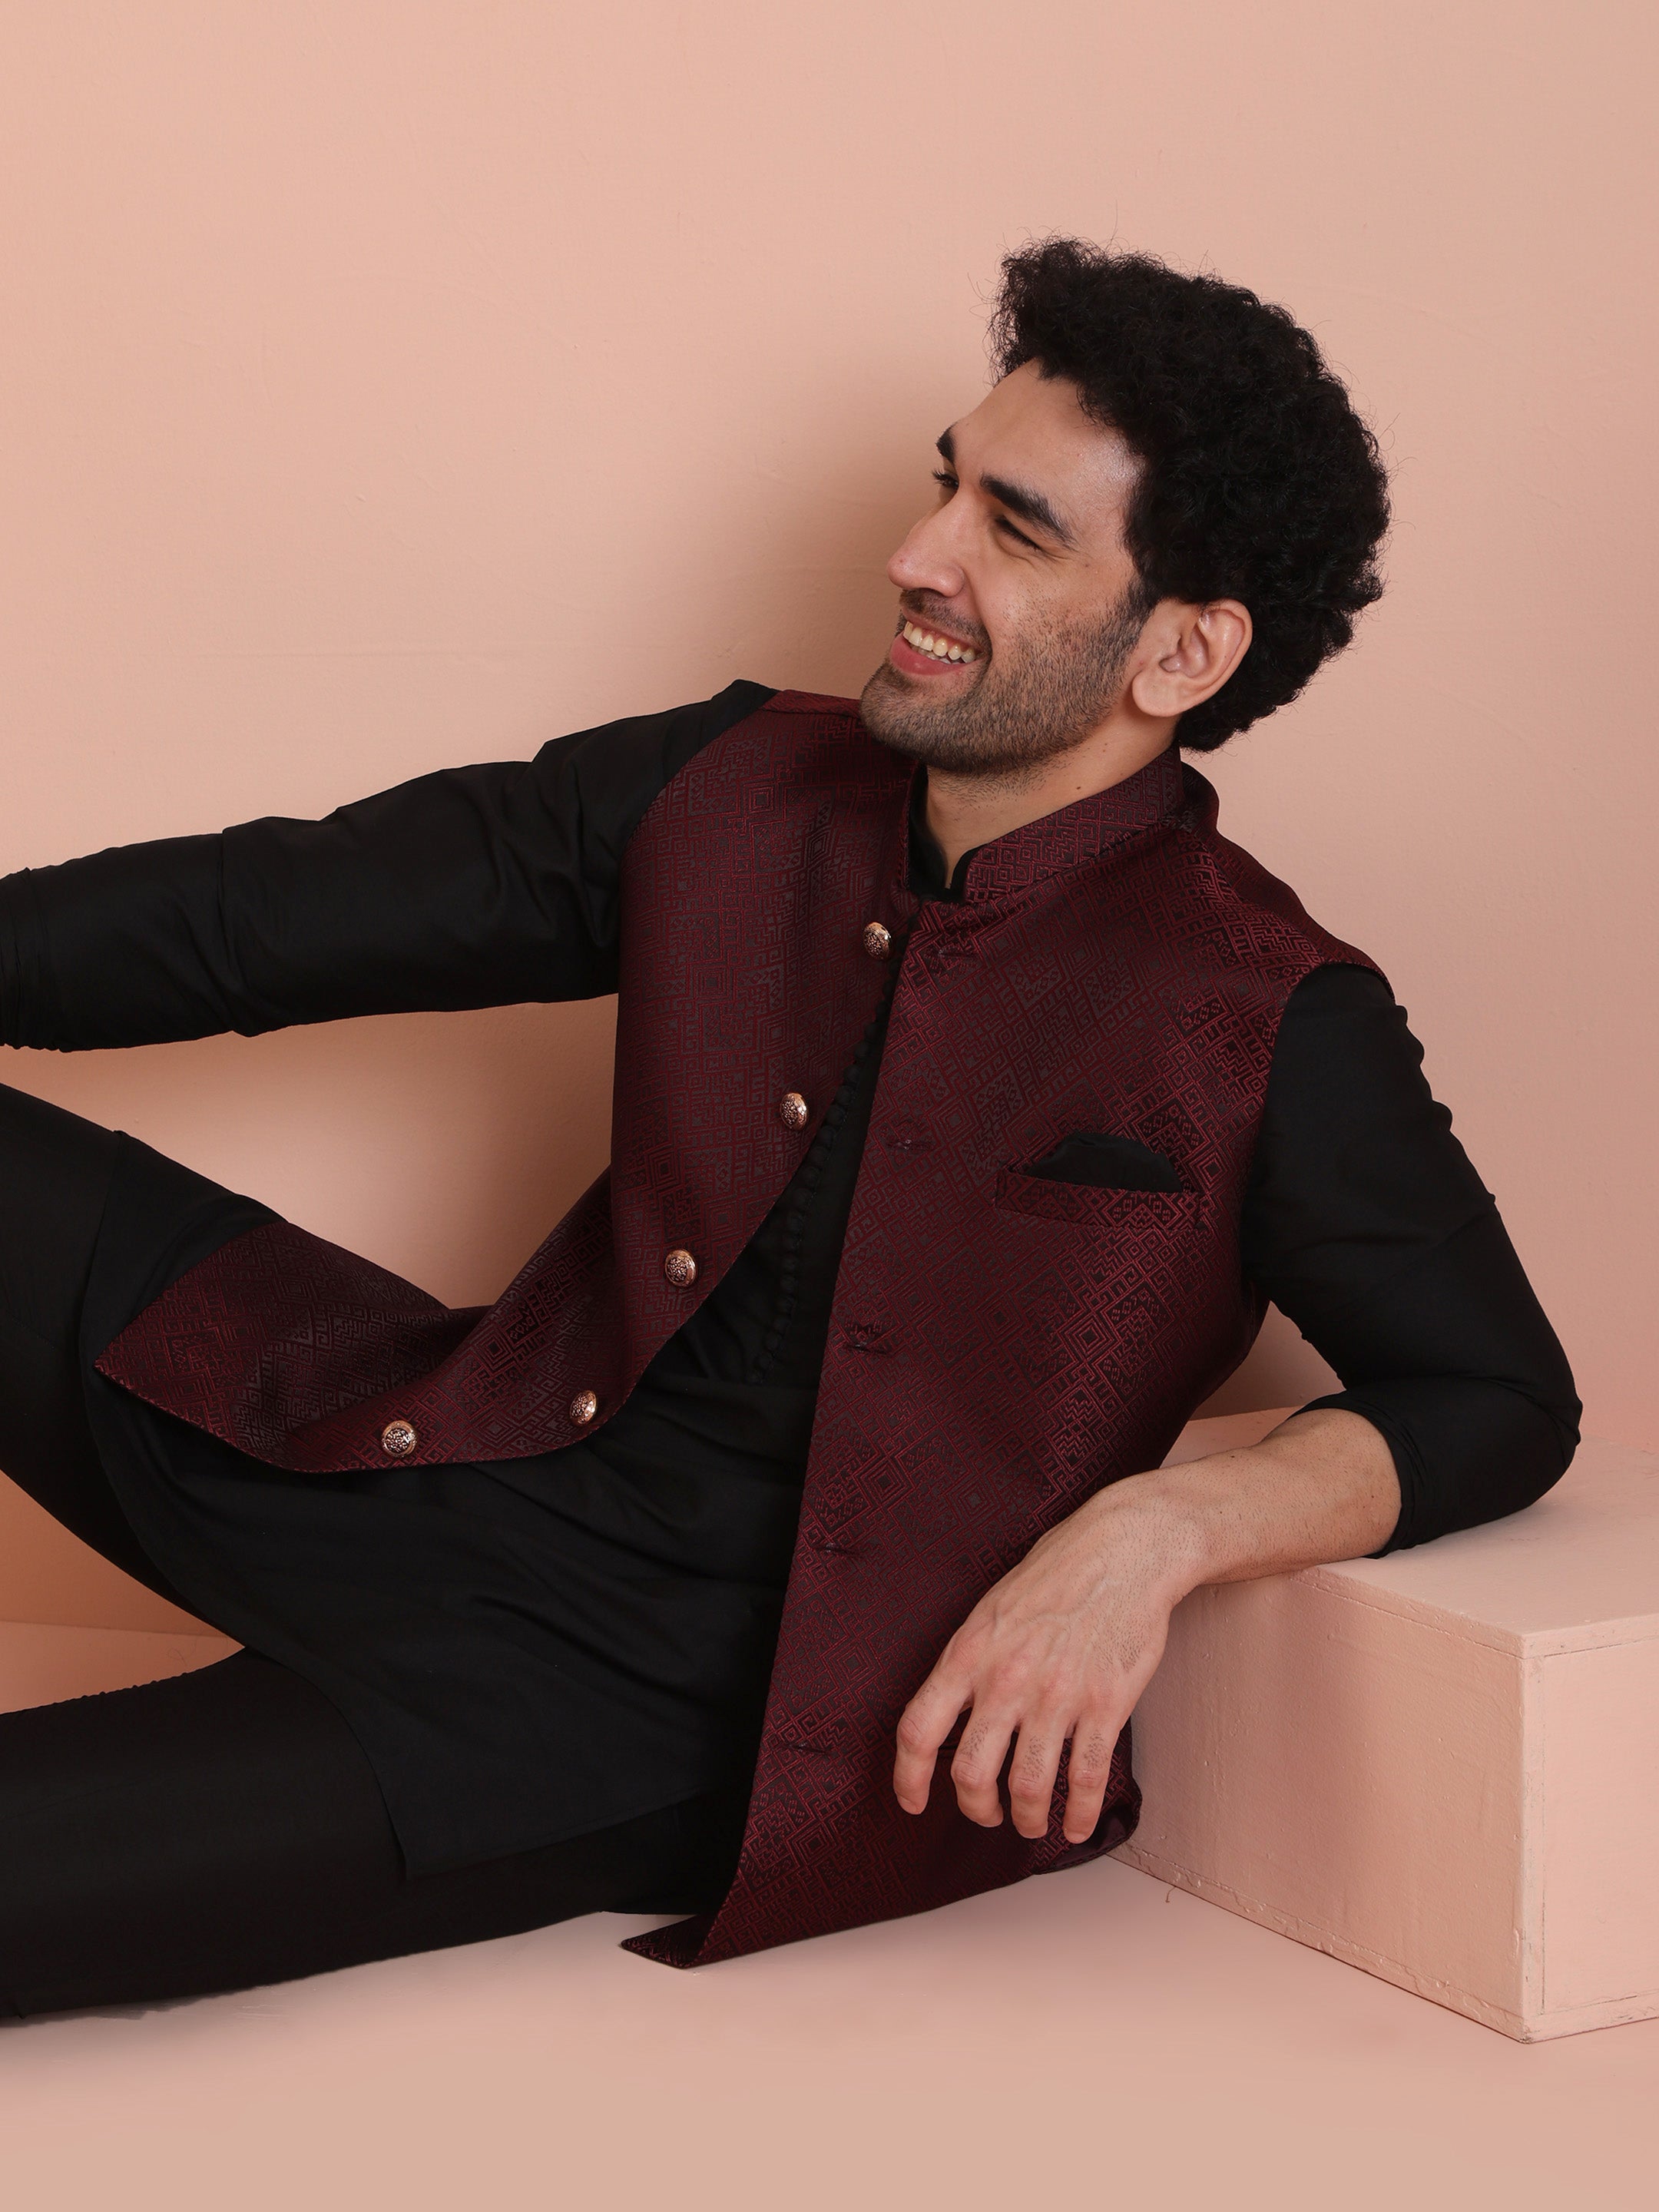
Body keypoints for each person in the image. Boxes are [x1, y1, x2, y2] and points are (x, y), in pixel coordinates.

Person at [0, 238, 1578, 2012]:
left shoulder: (1269, 1009)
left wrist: (1155, 1532)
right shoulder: (729, 780)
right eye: (948, 486)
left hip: (625, 1710)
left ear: (1183, 650)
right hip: (417, 1453)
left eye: (1016, 530)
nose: (917, 554)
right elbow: (260, 918)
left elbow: (1496, 1397)